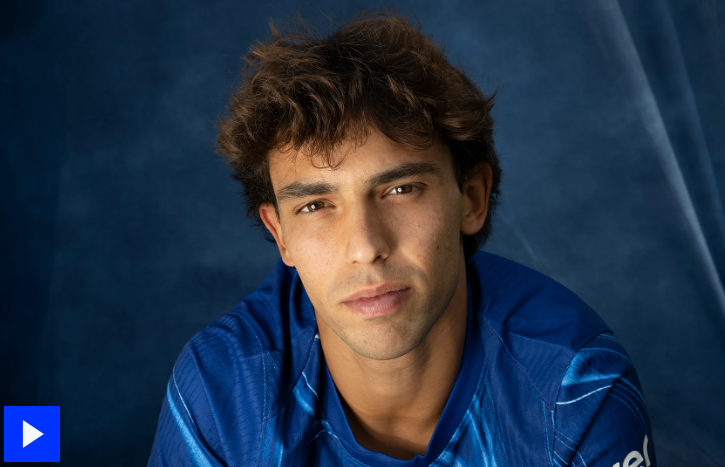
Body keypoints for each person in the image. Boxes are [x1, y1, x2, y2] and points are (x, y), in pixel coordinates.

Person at [148, 9, 655, 466]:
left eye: (400, 189)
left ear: (471, 198)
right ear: (281, 235)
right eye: (315, 205)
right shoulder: (225, 392)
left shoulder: (573, 388)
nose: (365, 247)